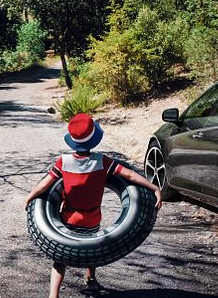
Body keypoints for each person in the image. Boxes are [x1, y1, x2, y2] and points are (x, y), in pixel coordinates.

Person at [24, 113, 162, 297]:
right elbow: (129, 175)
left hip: (68, 218)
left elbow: (45, 184)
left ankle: (53, 295)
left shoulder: (63, 162)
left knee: (59, 259)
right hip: (92, 218)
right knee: (92, 250)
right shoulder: (102, 161)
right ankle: (91, 280)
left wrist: (30, 196)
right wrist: (154, 187)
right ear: (93, 140)